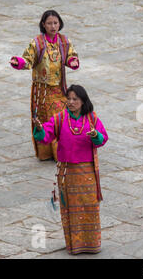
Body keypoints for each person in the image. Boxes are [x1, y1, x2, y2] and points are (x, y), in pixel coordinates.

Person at [33, 84, 108, 254]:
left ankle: (92, 245)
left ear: (83, 101)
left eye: (75, 99)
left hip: (86, 172)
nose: (71, 102)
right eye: (69, 98)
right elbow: (46, 136)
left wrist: (96, 135)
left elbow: (103, 139)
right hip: (67, 173)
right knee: (71, 210)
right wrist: (39, 128)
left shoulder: (92, 119)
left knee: (89, 207)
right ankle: (75, 246)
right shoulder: (59, 119)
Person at [10, 10, 80, 161]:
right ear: (43, 25)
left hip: (59, 89)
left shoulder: (64, 41)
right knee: (45, 120)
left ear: (60, 23)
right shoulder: (37, 43)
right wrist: (19, 62)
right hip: (42, 91)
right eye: (49, 23)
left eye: (55, 23)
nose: (53, 26)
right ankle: (48, 153)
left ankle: (61, 152)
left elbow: (71, 55)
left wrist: (72, 61)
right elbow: (27, 60)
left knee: (61, 118)